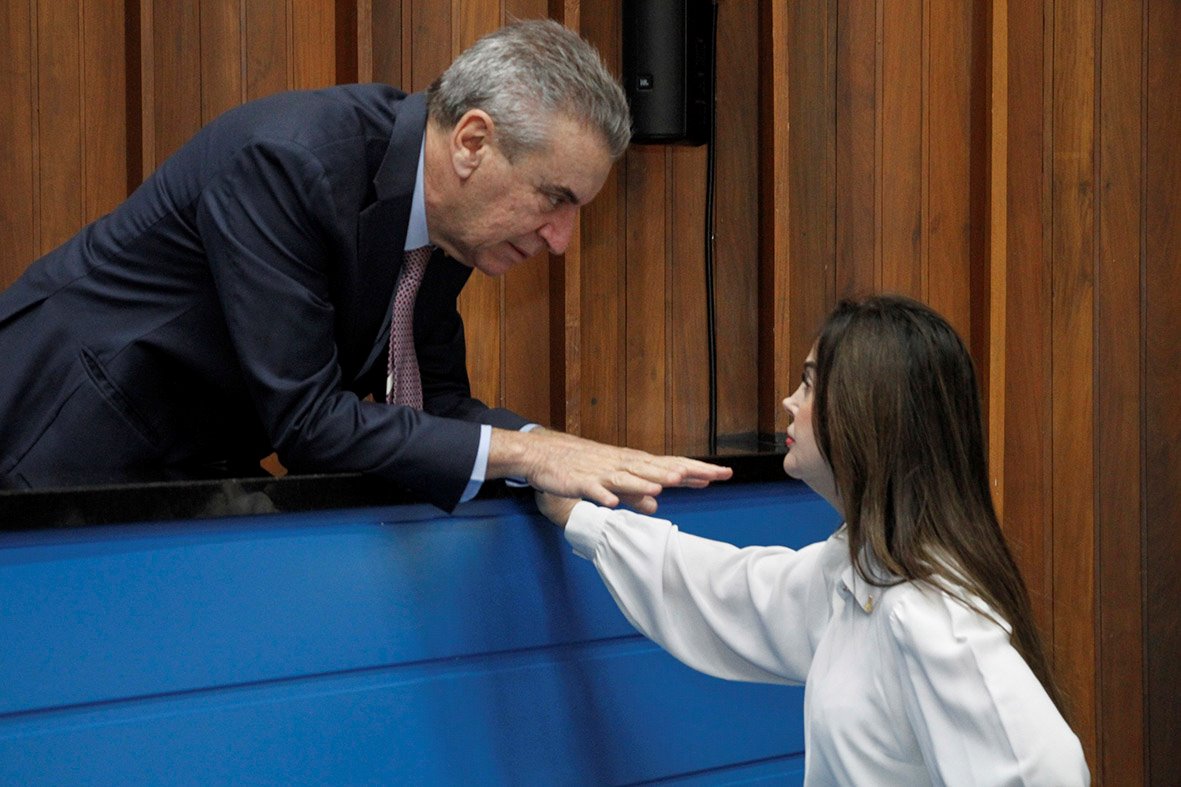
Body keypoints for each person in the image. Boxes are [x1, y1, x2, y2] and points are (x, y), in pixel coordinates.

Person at [0, 20, 730, 510]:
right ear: (472, 143)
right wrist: (529, 459)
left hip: (182, 463)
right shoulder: (291, 161)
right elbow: (309, 422)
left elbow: (435, 405)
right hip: (55, 440)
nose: (561, 238)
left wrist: (558, 451)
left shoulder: (450, 225)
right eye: (554, 198)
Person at [537, 295, 1089, 785]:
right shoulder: (858, 575)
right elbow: (730, 590)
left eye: (808, 384)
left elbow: (1045, 775)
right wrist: (579, 514)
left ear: (868, 410)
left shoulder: (928, 615)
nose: (788, 401)